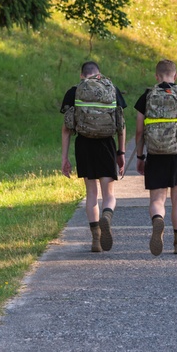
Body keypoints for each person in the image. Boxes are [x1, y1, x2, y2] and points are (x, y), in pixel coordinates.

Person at [134, 59, 177, 256]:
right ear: (176, 76)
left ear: (156, 76)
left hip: (155, 154)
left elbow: (139, 131)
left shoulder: (147, 96)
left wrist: (140, 156)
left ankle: (158, 218)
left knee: (157, 198)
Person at [60, 61, 127, 253]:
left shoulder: (74, 91)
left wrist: (65, 158)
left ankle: (96, 238)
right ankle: (107, 215)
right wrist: (120, 153)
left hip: (84, 145)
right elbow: (121, 125)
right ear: (100, 74)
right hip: (106, 143)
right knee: (109, 194)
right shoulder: (111, 88)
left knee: (91, 194)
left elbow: (66, 129)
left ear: (82, 75)